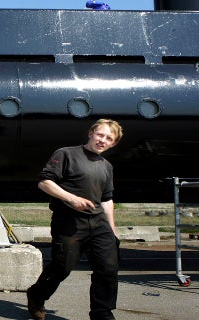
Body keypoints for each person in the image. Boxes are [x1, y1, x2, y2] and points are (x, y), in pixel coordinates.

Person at [27, 119, 124, 320]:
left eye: (109, 138)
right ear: (91, 133)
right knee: (62, 267)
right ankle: (37, 295)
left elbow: (106, 200)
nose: (102, 140)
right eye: (100, 135)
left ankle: (102, 314)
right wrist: (72, 199)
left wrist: (112, 230)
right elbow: (44, 183)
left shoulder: (107, 166)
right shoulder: (67, 154)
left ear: (113, 144)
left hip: (98, 223)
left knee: (108, 269)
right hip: (69, 221)